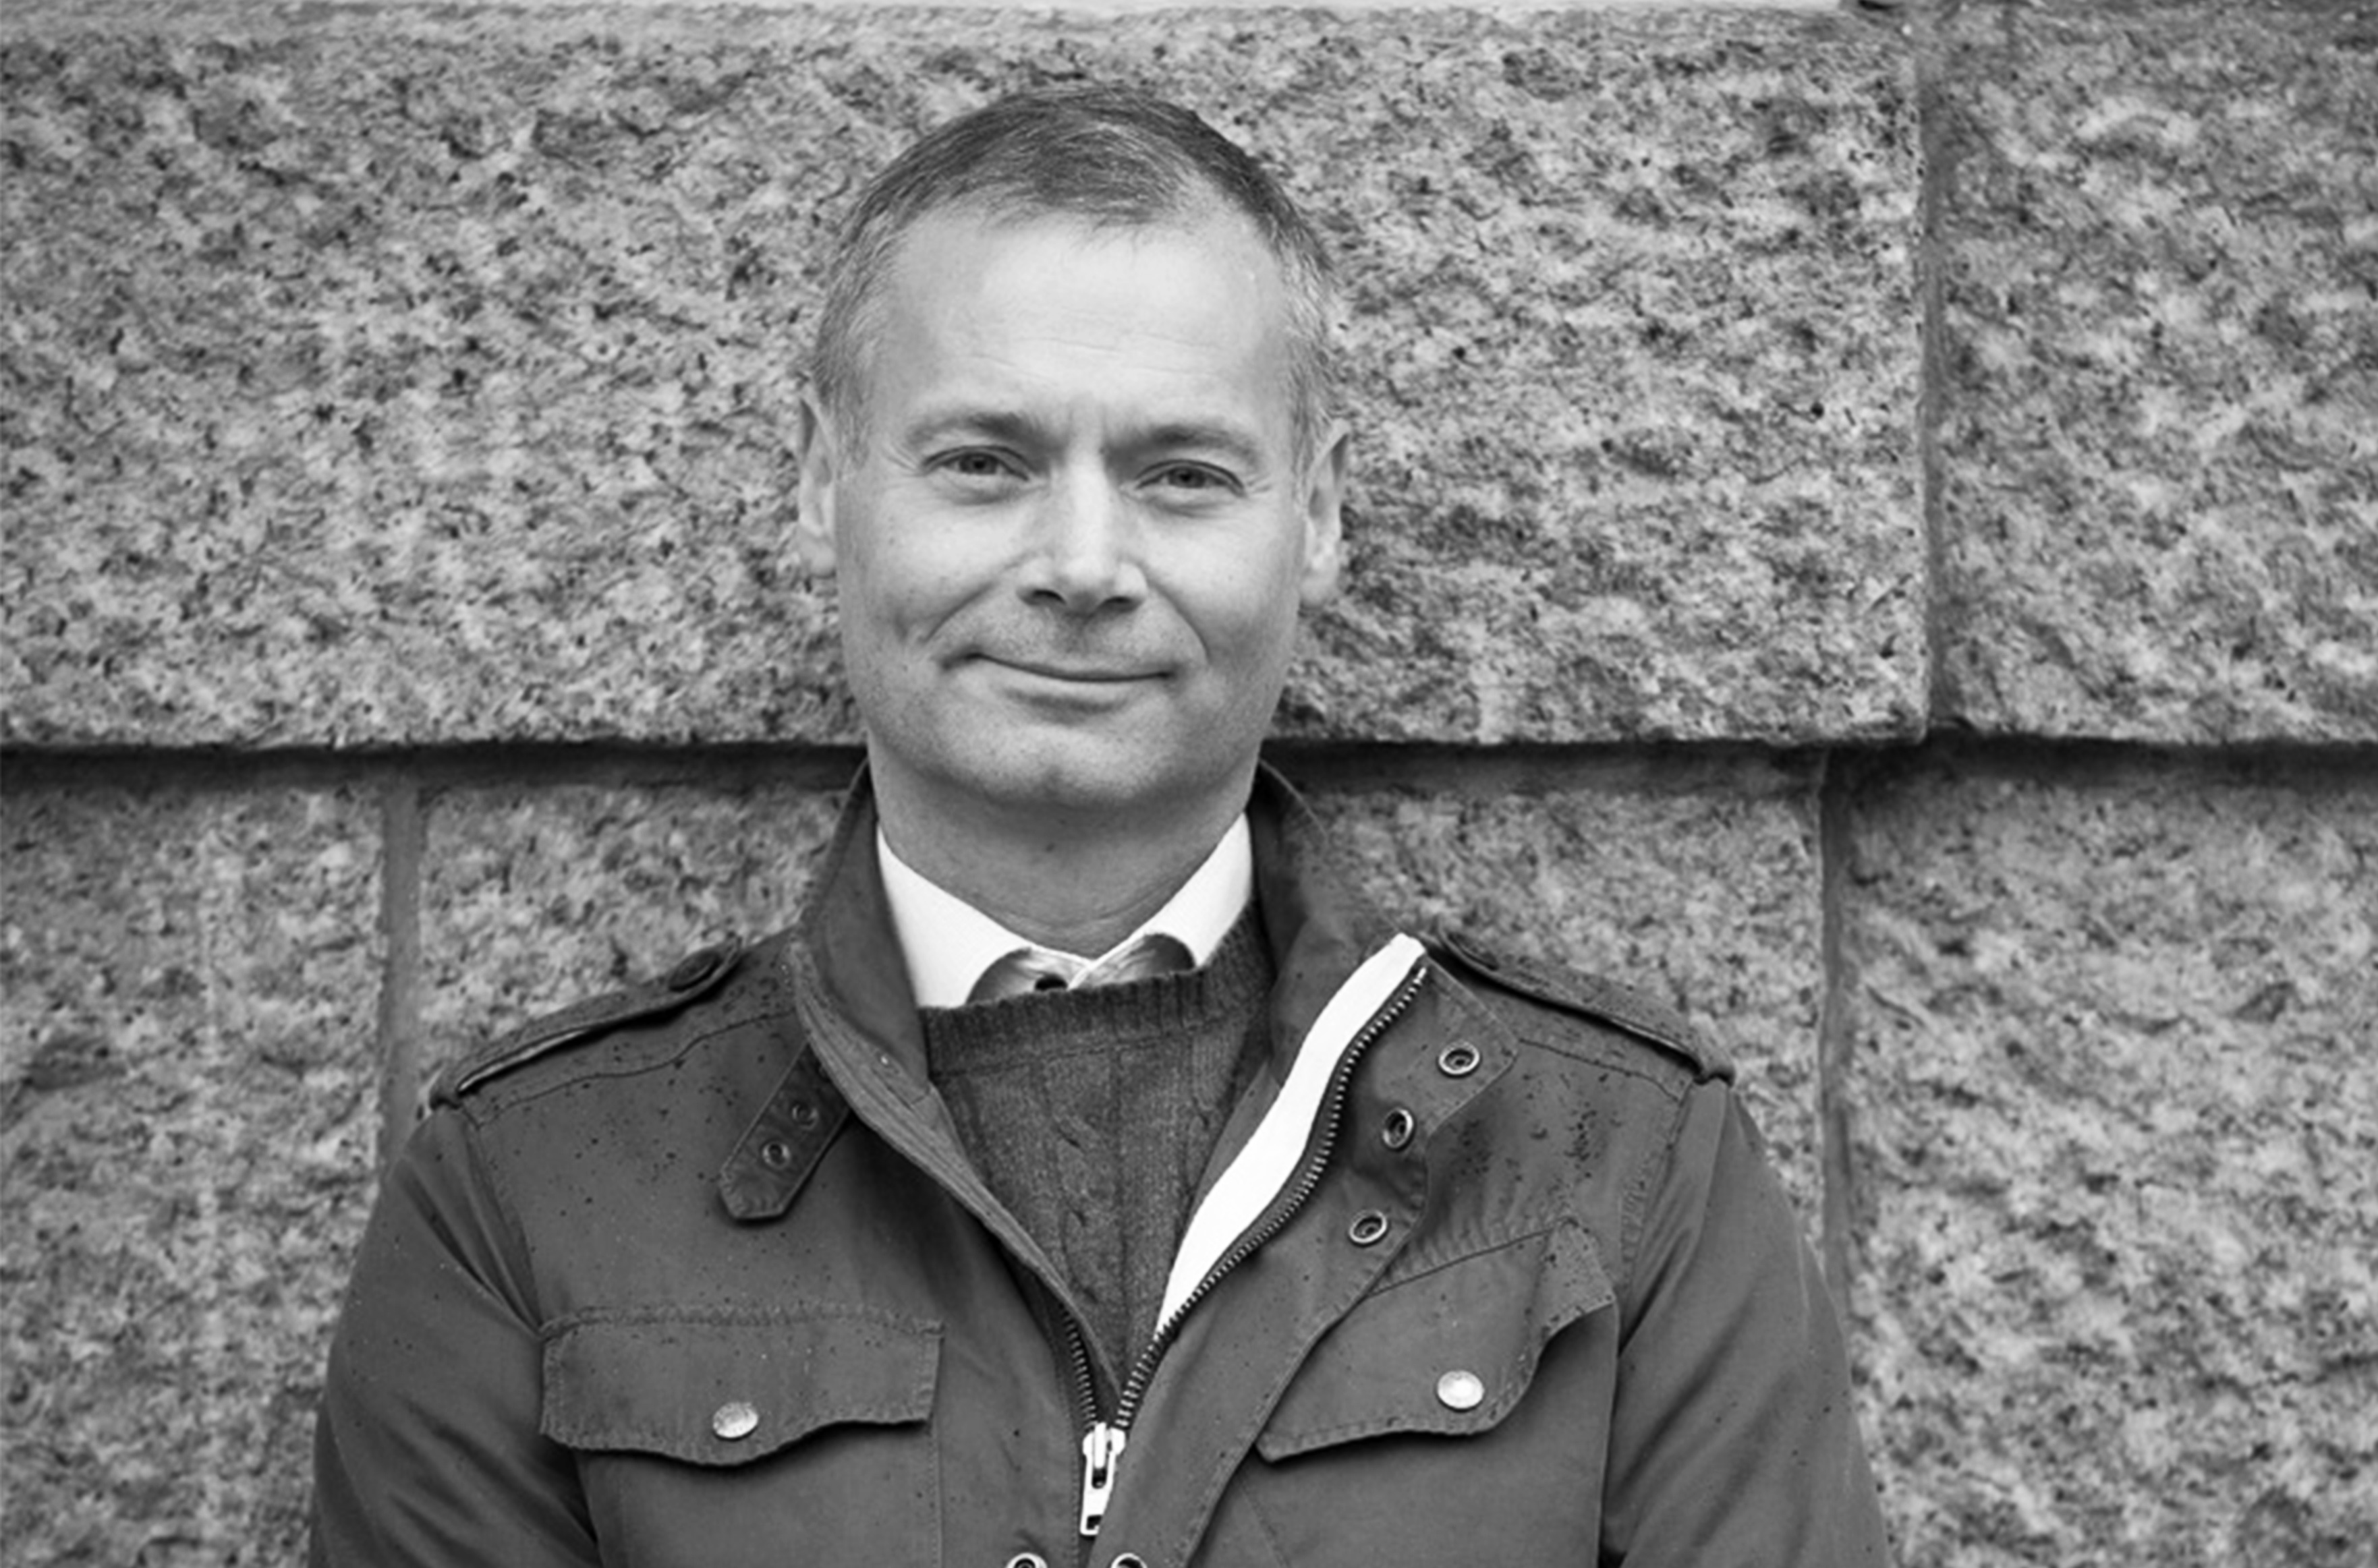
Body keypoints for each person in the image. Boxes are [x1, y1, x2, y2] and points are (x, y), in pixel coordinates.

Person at [310, 86, 1890, 1567]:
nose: (1080, 563)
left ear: (1317, 514)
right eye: (982, 462)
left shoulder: (1625, 1170)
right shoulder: (526, 1192)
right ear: (819, 479)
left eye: (1180, 473)